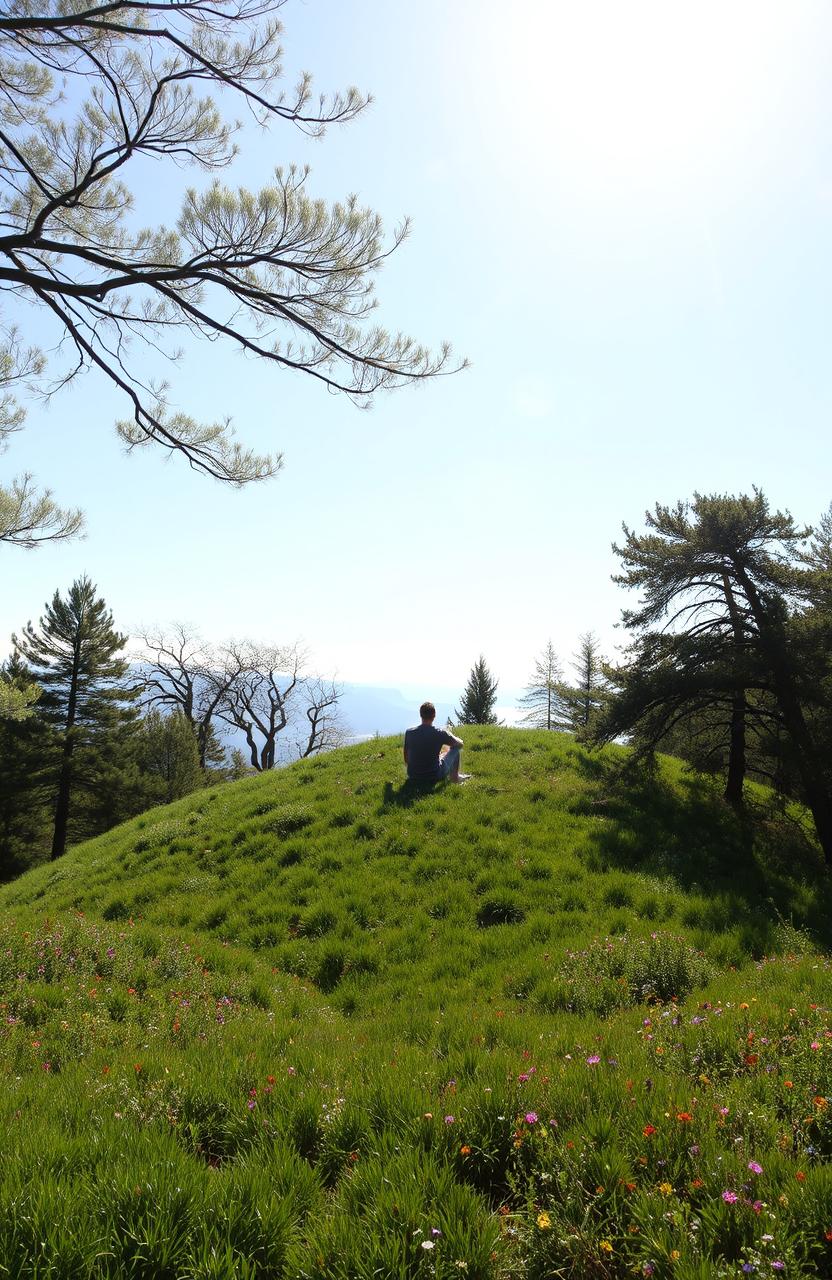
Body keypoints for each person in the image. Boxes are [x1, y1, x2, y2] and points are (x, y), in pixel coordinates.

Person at [403, 701, 469, 784]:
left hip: (412, 775)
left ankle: (453, 776)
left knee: (442, 755)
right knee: (455, 749)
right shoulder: (439, 732)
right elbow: (460, 744)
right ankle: (455, 778)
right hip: (434, 775)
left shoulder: (409, 732)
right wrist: (449, 733)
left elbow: (406, 755)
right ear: (434, 715)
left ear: (420, 715)